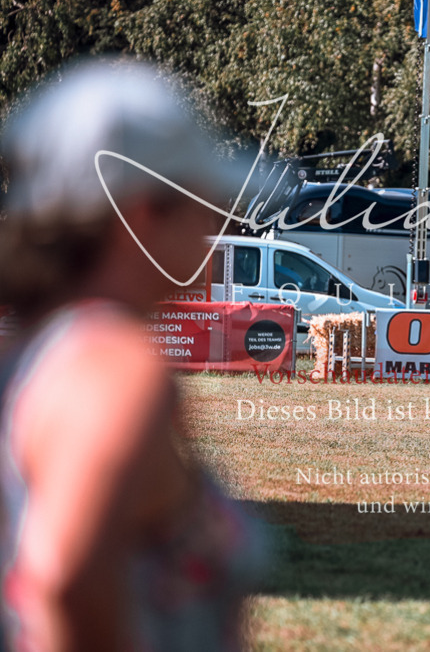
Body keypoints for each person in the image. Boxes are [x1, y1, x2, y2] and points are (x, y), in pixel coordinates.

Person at [0, 59, 264, 650]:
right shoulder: (116, 367)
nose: (217, 224)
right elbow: (66, 581)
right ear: (142, 214)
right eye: (205, 202)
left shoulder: (35, 351)